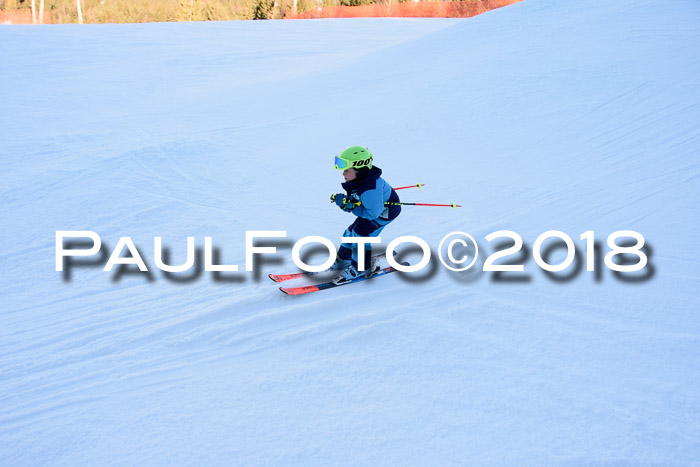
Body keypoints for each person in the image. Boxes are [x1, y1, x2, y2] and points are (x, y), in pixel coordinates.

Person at [331, 146, 401, 284]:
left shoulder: (370, 189)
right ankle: (344, 260)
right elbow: (357, 203)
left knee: (360, 235)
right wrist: (346, 204)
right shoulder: (357, 182)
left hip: (384, 214)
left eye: (346, 170)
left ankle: (361, 268)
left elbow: (372, 213)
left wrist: (351, 207)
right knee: (350, 231)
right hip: (372, 210)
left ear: (360, 170)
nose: (343, 173)